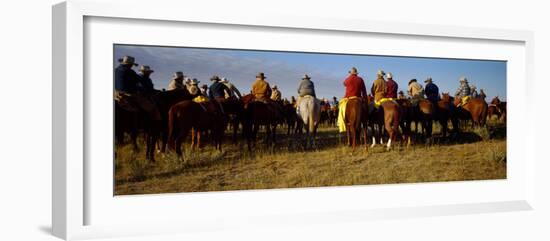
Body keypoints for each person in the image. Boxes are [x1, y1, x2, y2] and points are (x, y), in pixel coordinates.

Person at [114, 56, 160, 120]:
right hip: (129, 94)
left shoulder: (115, 70)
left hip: (116, 93)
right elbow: (139, 82)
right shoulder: (130, 72)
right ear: (130, 64)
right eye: (131, 65)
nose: (131, 66)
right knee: (151, 107)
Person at [338, 67, 367, 132]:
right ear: (356, 73)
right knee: (366, 110)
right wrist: (365, 100)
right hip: (358, 97)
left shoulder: (348, 79)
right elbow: (364, 91)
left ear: (351, 73)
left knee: (341, 107)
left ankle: (341, 122)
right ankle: (366, 121)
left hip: (348, 98)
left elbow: (344, 83)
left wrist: (349, 77)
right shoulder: (360, 79)